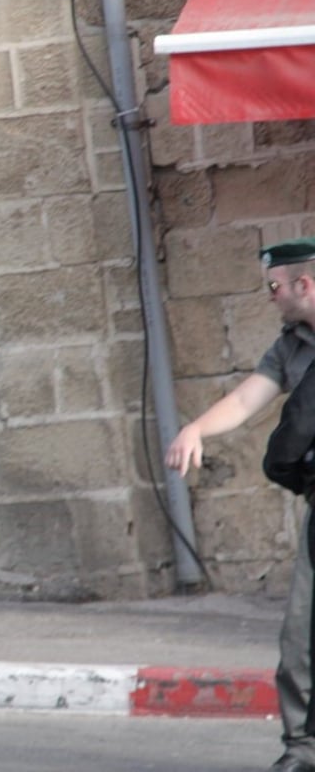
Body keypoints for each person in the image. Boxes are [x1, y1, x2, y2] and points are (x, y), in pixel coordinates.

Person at [165, 240, 315, 772]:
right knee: (301, 635)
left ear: (304, 284)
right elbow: (247, 398)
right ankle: (303, 750)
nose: (269, 297)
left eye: (274, 287)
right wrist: (194, 428)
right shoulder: (290, 347)